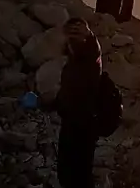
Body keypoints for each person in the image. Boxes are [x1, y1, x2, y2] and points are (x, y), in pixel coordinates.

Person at [55, 18, 102, 188]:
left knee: (77, 176)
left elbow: (93, 50)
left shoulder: (87, 57)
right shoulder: (76, 60)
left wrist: (88, 36)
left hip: (81, 126)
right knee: (70, 174)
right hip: (73, 122)